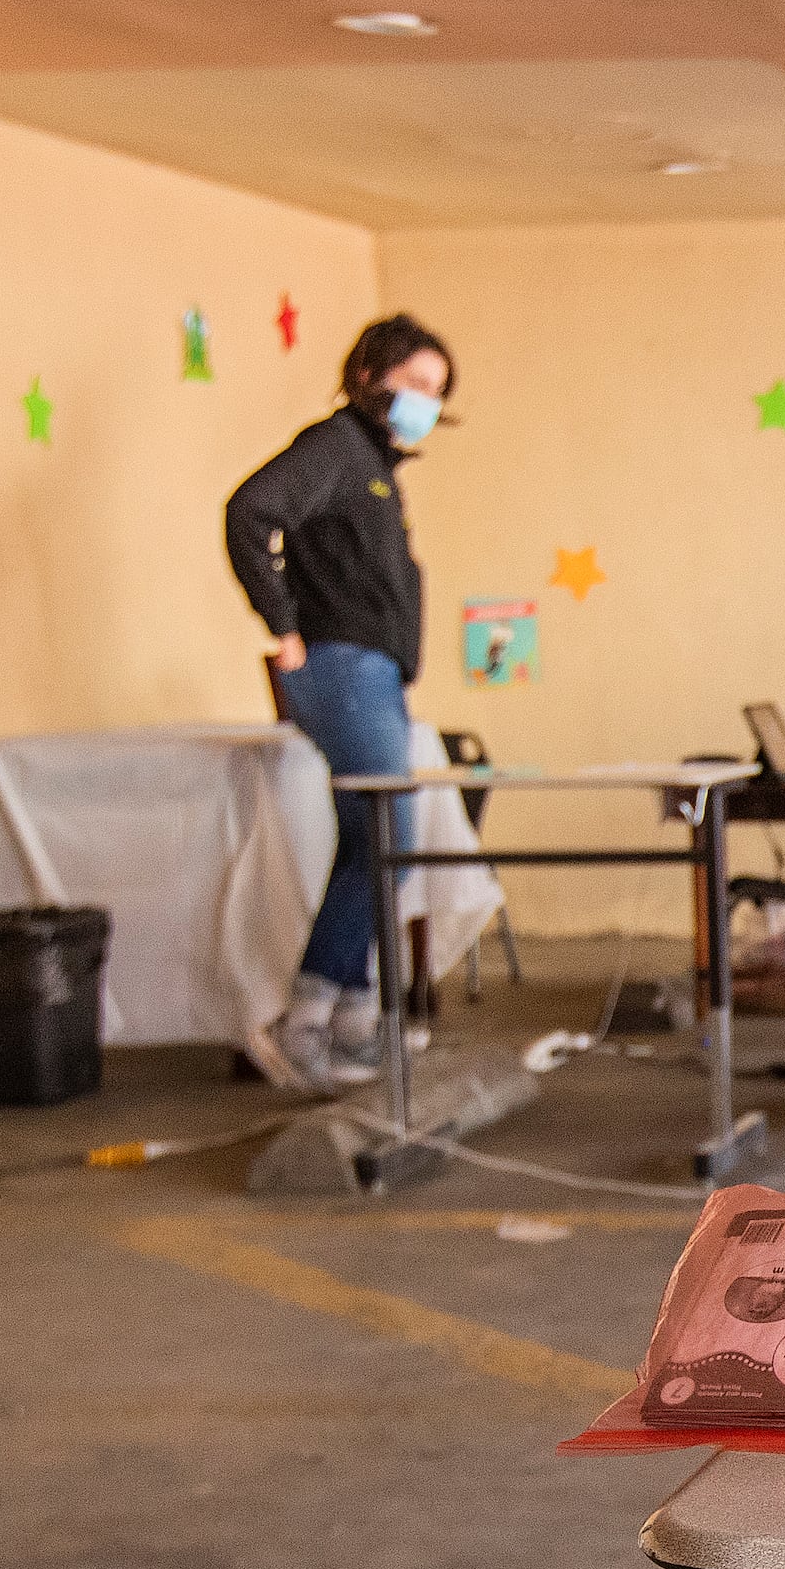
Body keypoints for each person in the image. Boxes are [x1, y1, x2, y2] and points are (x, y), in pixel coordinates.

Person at [226, 315, 454, 1087]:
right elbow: (250, 510)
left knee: (373, 844)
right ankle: (305, 1020)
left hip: (375, 672)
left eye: (438, 392)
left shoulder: (376, 468)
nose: (427, 401)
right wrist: (285, 628)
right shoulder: (334, 448)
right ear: (370, 376)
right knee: (387, 837)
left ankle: (355, 1016)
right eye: (416, 383)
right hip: (341, 666)